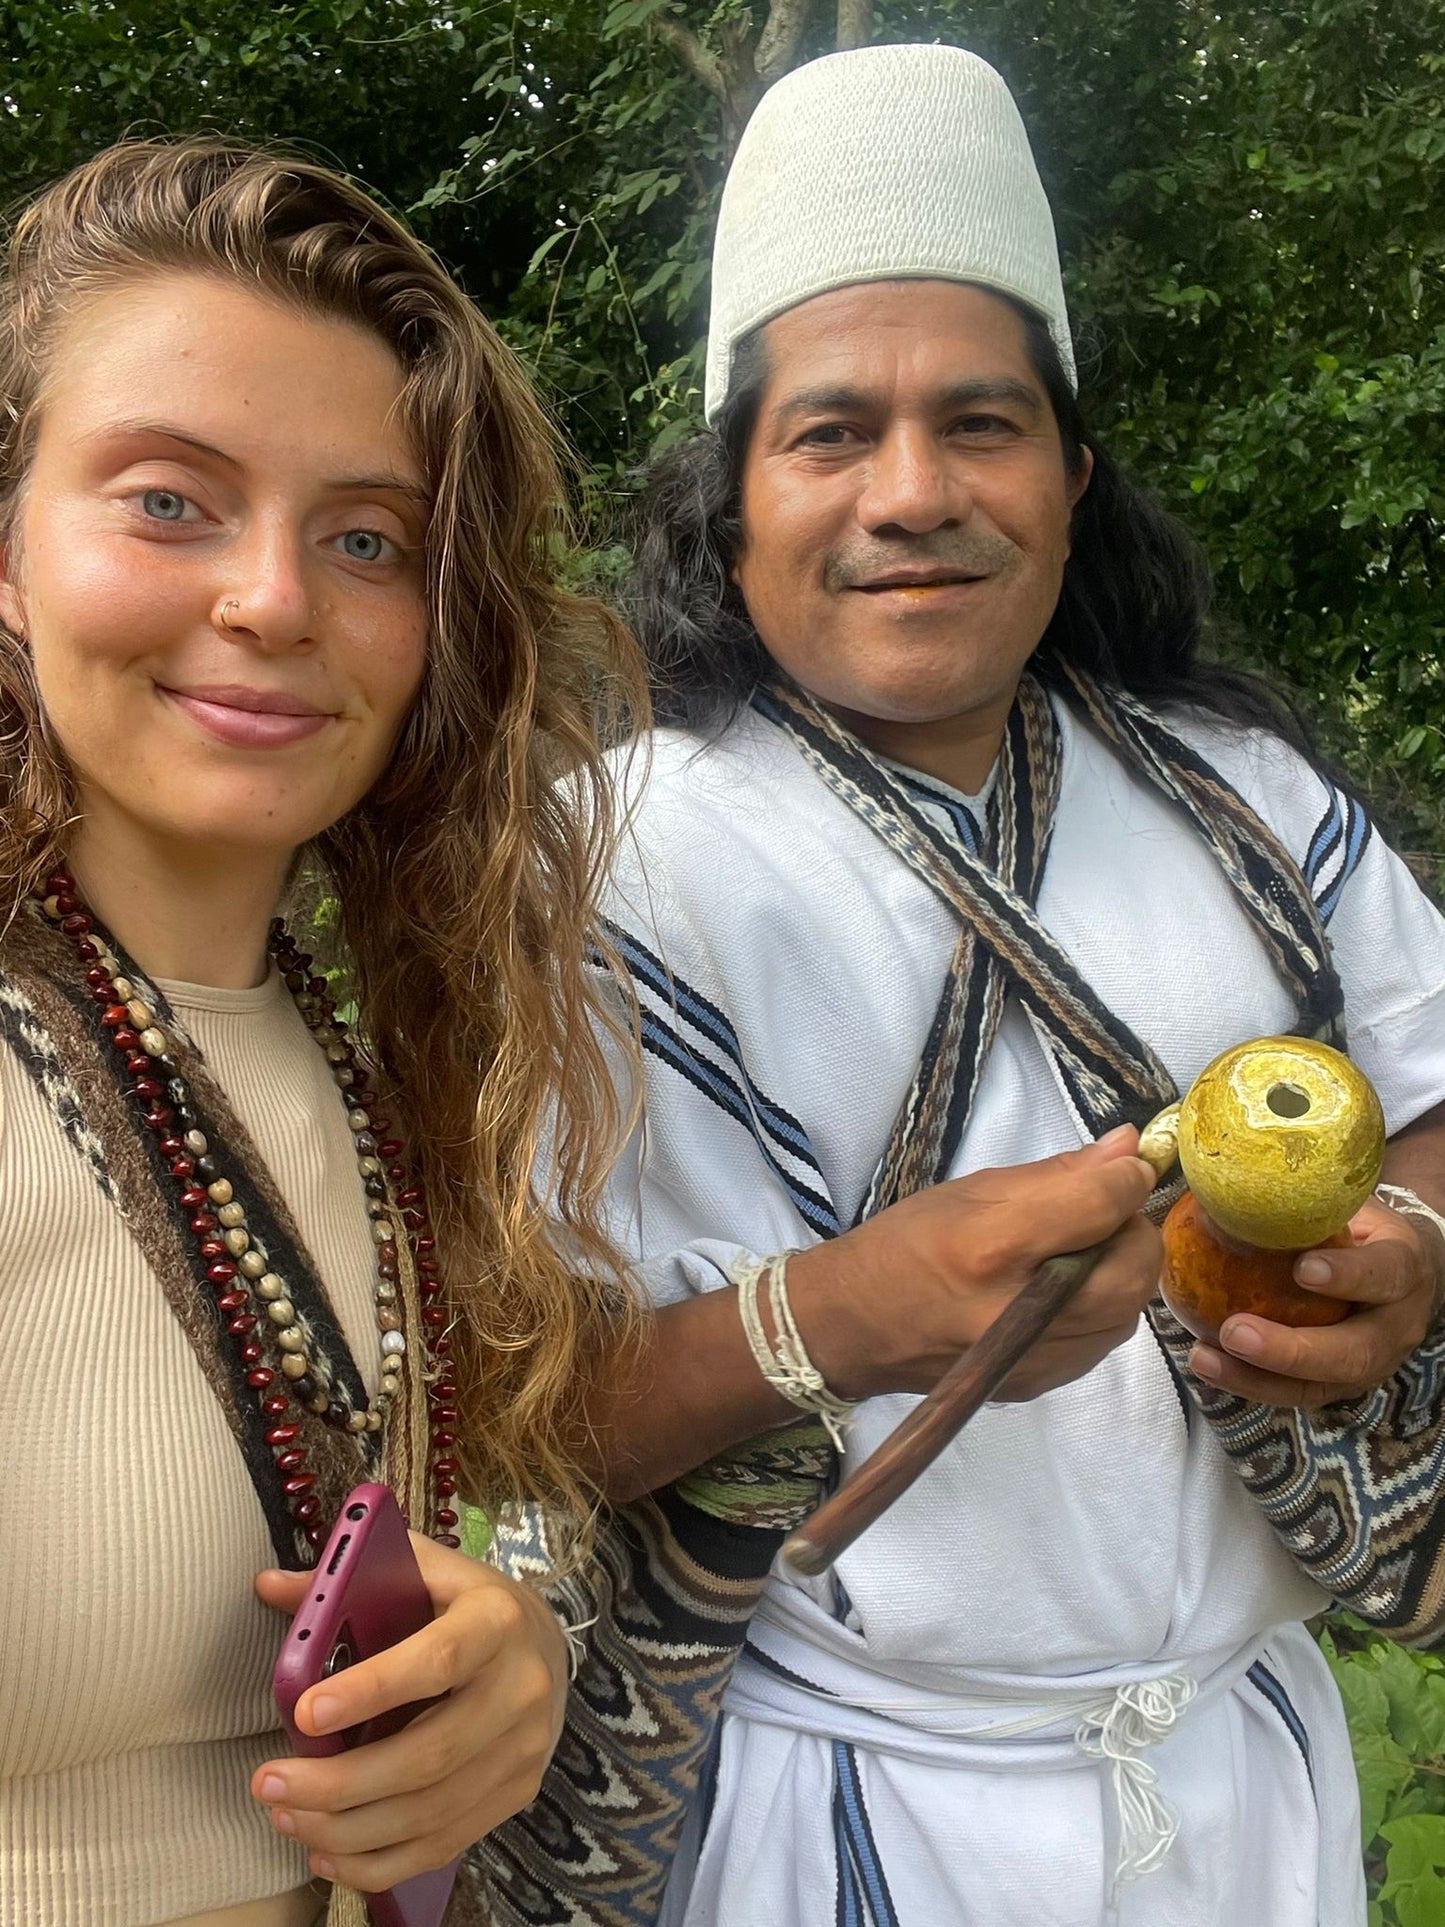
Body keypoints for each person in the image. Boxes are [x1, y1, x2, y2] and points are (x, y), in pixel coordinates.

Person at [484, 43, 1445, 1927]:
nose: (910, 492)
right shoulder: (599, 868)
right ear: (731, 502)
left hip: (1241, 1778)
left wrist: (1404, 1239)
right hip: (835, 1797)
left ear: (1070, 479)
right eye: (829, 431)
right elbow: (506, 1412)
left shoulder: (1241, 802)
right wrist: (842, 1314)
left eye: (981, 423)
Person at [0, 139, 644, 1927]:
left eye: (365, 538)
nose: (274, 600)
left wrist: (509, 1642)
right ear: (8, 558)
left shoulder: (358, 1072)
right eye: (167, 501)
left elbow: (448, 1492)